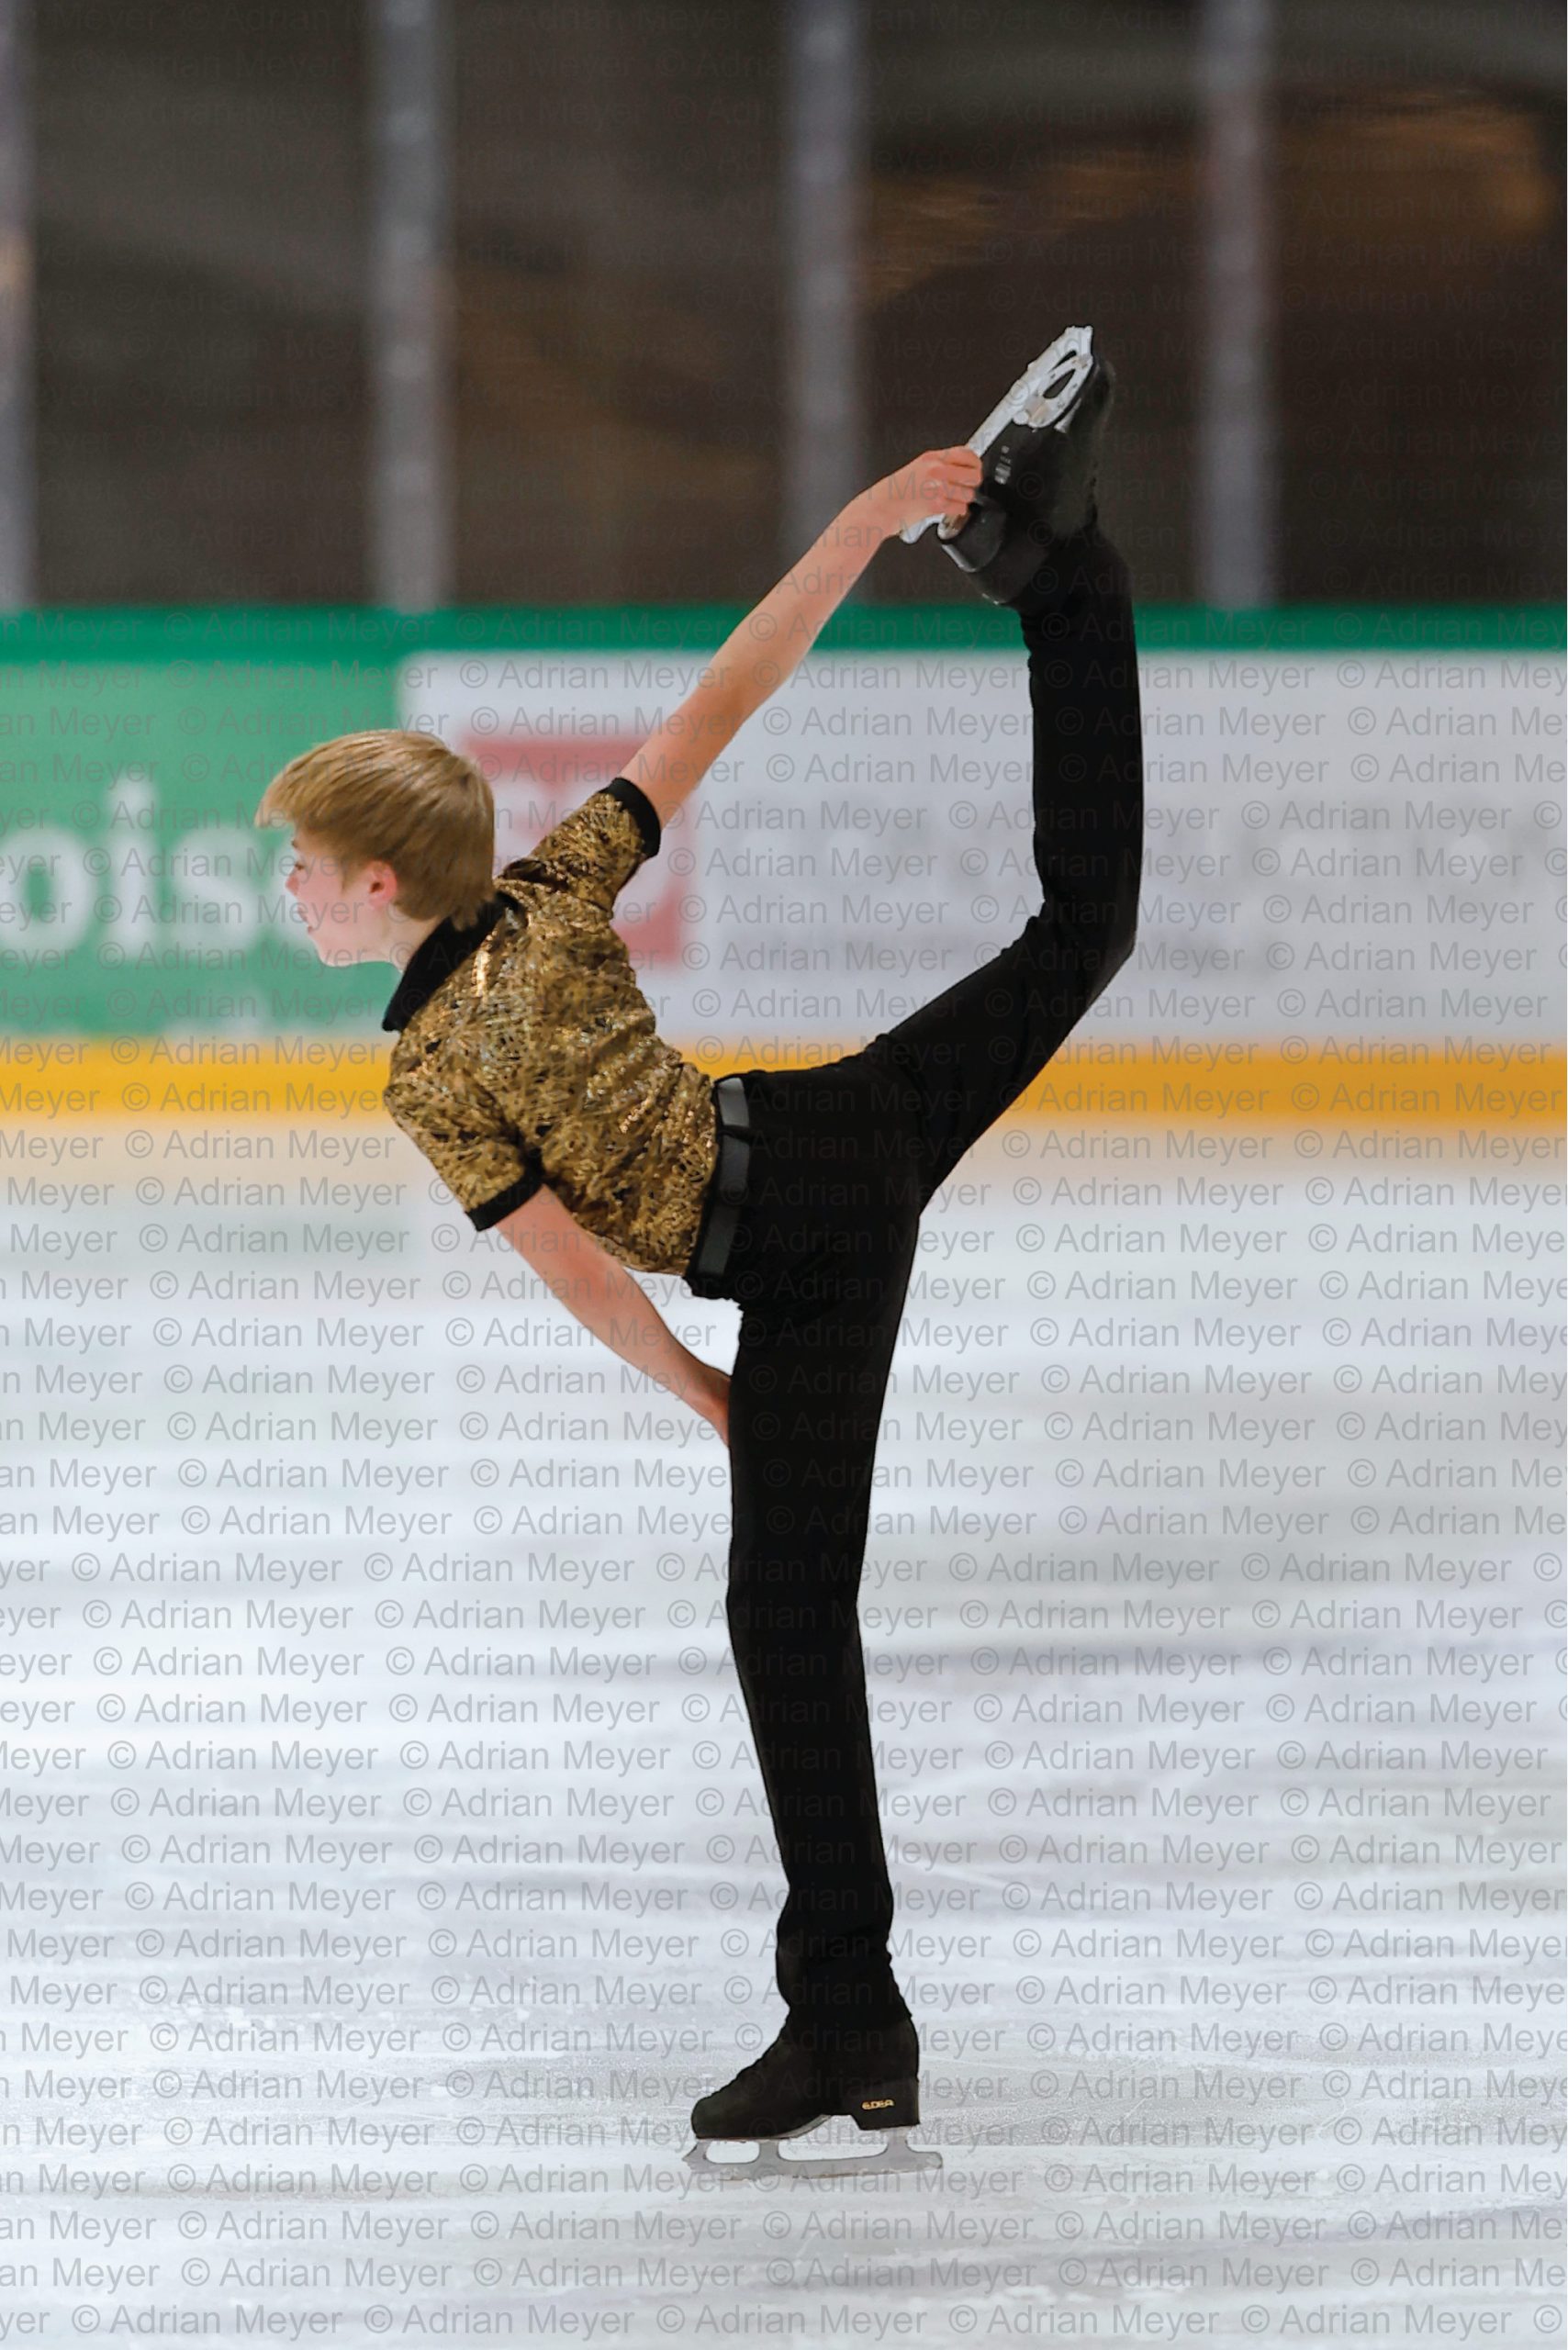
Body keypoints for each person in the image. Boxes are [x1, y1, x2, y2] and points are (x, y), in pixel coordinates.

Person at [255, 325, 1143, 2177]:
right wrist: (858, 522)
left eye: (302, 868)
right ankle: (1072, 580)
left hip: (804, 1211)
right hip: (818, 1163)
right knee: (1076, 932)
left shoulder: (430, 1064)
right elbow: (727, 696)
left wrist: (702, 1392)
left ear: (378, 882)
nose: (286, 892)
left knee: (780, 1613)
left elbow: (575, 1262)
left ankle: (848, 2014)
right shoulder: (547, 888)